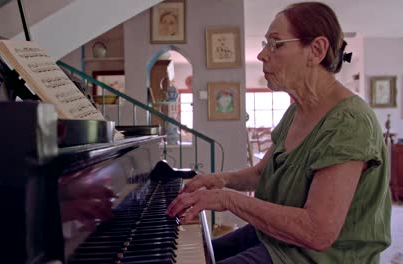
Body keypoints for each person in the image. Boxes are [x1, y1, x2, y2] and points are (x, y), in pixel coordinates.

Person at [166, 2, 391, 263]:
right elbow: (261, 173)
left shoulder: (350, 122)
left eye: (275, 43)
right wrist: (219, 180)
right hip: (277, 239)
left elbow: (317, 232)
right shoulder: (297, 111)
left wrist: (227, 200)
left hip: (319, 257)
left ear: (316, 50)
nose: (262, 54)